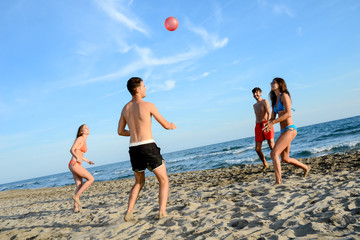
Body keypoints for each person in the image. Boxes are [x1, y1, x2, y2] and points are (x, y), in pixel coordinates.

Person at [118, 77, 177, 221]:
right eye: (144, 86)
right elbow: (165, 125)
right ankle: (162, 212)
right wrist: (172, 125)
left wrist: (134, 131)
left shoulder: (125, 108)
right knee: (163, 180)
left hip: (134, 149)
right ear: (137, 89)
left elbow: (120, 131)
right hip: (148, 146)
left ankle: (129, 212)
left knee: (139, 182)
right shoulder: (148, 105)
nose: (146, 88)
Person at [263, 78, 310, 184]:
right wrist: (268, 124)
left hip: (290, 129)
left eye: (274, 82)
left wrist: (273, 123)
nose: (271, 83)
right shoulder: (275, 99)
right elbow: (273, 117)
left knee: (274, 153)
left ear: (280, 84)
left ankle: (278, 182)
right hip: (283, 131)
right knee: (285, 158)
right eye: (271, 82)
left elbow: (288, 114)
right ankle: (305, 167)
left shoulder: (284, 95)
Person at [68, 124, 95, 212]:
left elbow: (79, 153)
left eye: (88, 127)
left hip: (75, 164)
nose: (88, 129)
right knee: (91, 179)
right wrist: (76, 157)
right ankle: (77, 196)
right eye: (85, 128)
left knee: (79, 185)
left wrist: (87, 160)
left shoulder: (84, 140)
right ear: (81, 131)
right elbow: (71, 150)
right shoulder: (80, 138)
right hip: (74, 164)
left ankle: (75, 208)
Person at [252, 87, 275, 171]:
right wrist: (256, 127)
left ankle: (279, 160)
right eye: (254, 93)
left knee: (271, 145)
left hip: (266, 123)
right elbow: (256, 117)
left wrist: (268, 123)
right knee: (257, 149)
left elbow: (269, 113)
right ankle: (265, 163)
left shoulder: (264, 101)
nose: (255, 94)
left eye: (257, 92)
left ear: (260, 93)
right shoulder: (254, 106)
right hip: (258, 126)